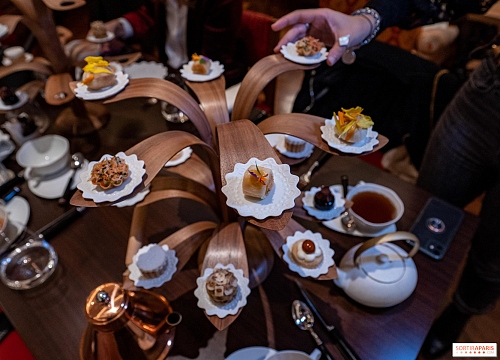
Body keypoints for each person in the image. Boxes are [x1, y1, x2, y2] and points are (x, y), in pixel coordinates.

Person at [272, 2, 499, 359]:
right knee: (429, 214)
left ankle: (465, 332)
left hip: (483, 345)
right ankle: (406, 318)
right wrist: (368, 19)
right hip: (491, 89)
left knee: (491, 258)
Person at [71, 0, 246, 87]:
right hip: (171, 72)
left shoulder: (222, 3)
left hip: (213, 80)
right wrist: (120, 26)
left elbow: (212, 57)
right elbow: (147, 15)